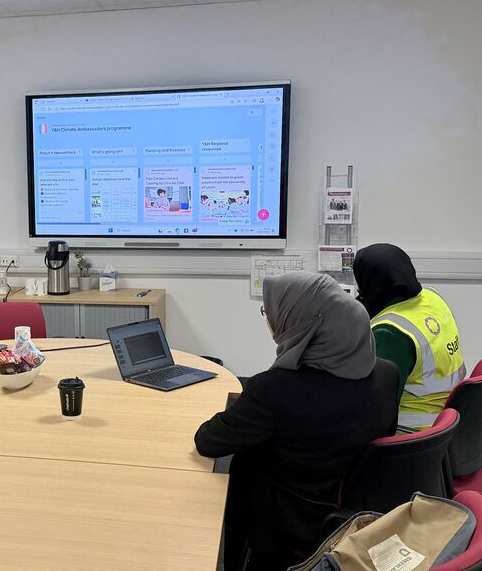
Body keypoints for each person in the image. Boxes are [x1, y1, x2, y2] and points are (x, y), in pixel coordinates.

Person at [194, 272, 399, 570]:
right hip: (354, 510)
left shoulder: (273, 390)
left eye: (271, 312)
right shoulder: (385, 374)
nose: (268, 319)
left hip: (289, 520)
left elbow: (209, 441)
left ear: (302, 325)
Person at [353, 243, 466, 429]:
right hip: (445, 424)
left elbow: (374, 406)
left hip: (406, 436)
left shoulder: (390, 331)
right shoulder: (432, 298)